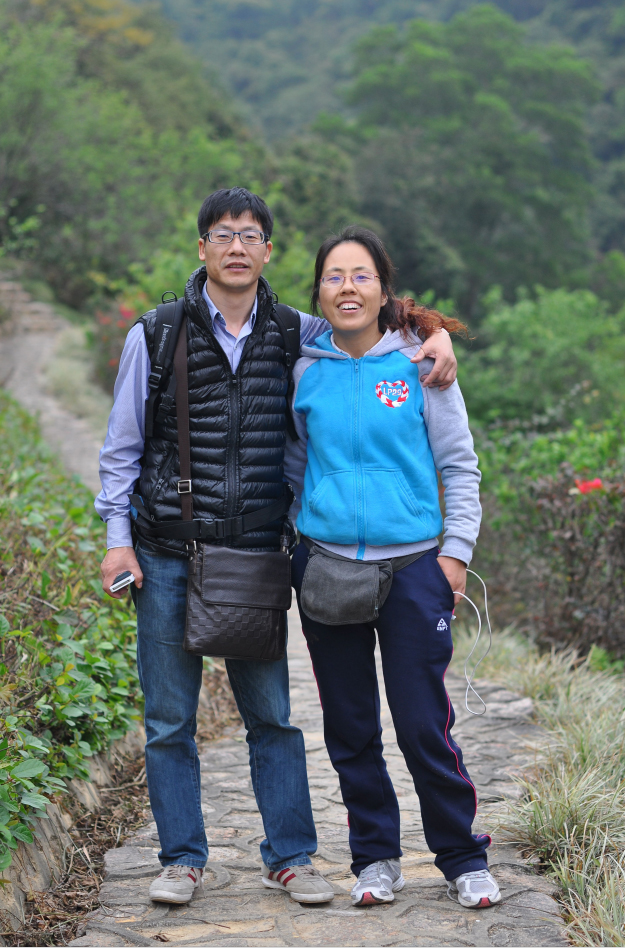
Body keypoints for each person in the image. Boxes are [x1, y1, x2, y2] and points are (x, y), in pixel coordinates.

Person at [95, 188, 459, 906]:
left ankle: (289, 857)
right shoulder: (157, 332)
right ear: (201, 248)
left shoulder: (297, 335)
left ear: (268, 252)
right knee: (170, 719)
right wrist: (117, 542)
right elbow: (120, 450)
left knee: (272, 717)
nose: (236, 246)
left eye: (251, 235)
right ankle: (181, 859)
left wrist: (432, 330)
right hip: (166, 551)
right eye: (222, 234)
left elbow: (368, 324)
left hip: (257, 554)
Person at [287, 225, 501, 910]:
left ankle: (463, 858)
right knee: (349, 727)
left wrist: (454, 554)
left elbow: (458, 465)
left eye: (360, 276)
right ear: (317, 291)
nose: (346, 287)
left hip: (413, 568)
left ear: (384, 290)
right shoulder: (302, 367)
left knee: (419, 723)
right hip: (326, 569)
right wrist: (298, 542)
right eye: (333, 276)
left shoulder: (420, 364)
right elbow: (294, 466)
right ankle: (375, 858)